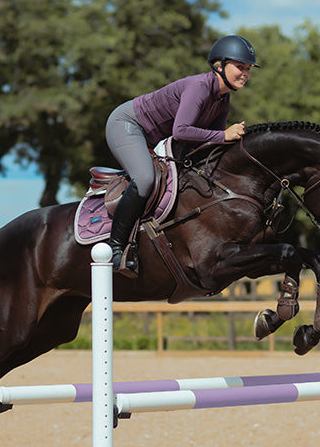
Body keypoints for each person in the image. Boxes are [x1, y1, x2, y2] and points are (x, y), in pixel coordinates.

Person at [105, 35, 258, 276]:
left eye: (248, 69)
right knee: (145, 180)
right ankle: (116, 250)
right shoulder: (199, 87)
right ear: (219, 66)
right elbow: (182, 131)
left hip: (153, 137)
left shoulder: (222, 98)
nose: (245, 74)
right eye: (240, 67)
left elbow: (209, 141)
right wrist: (225, 135)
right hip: (128, 125)